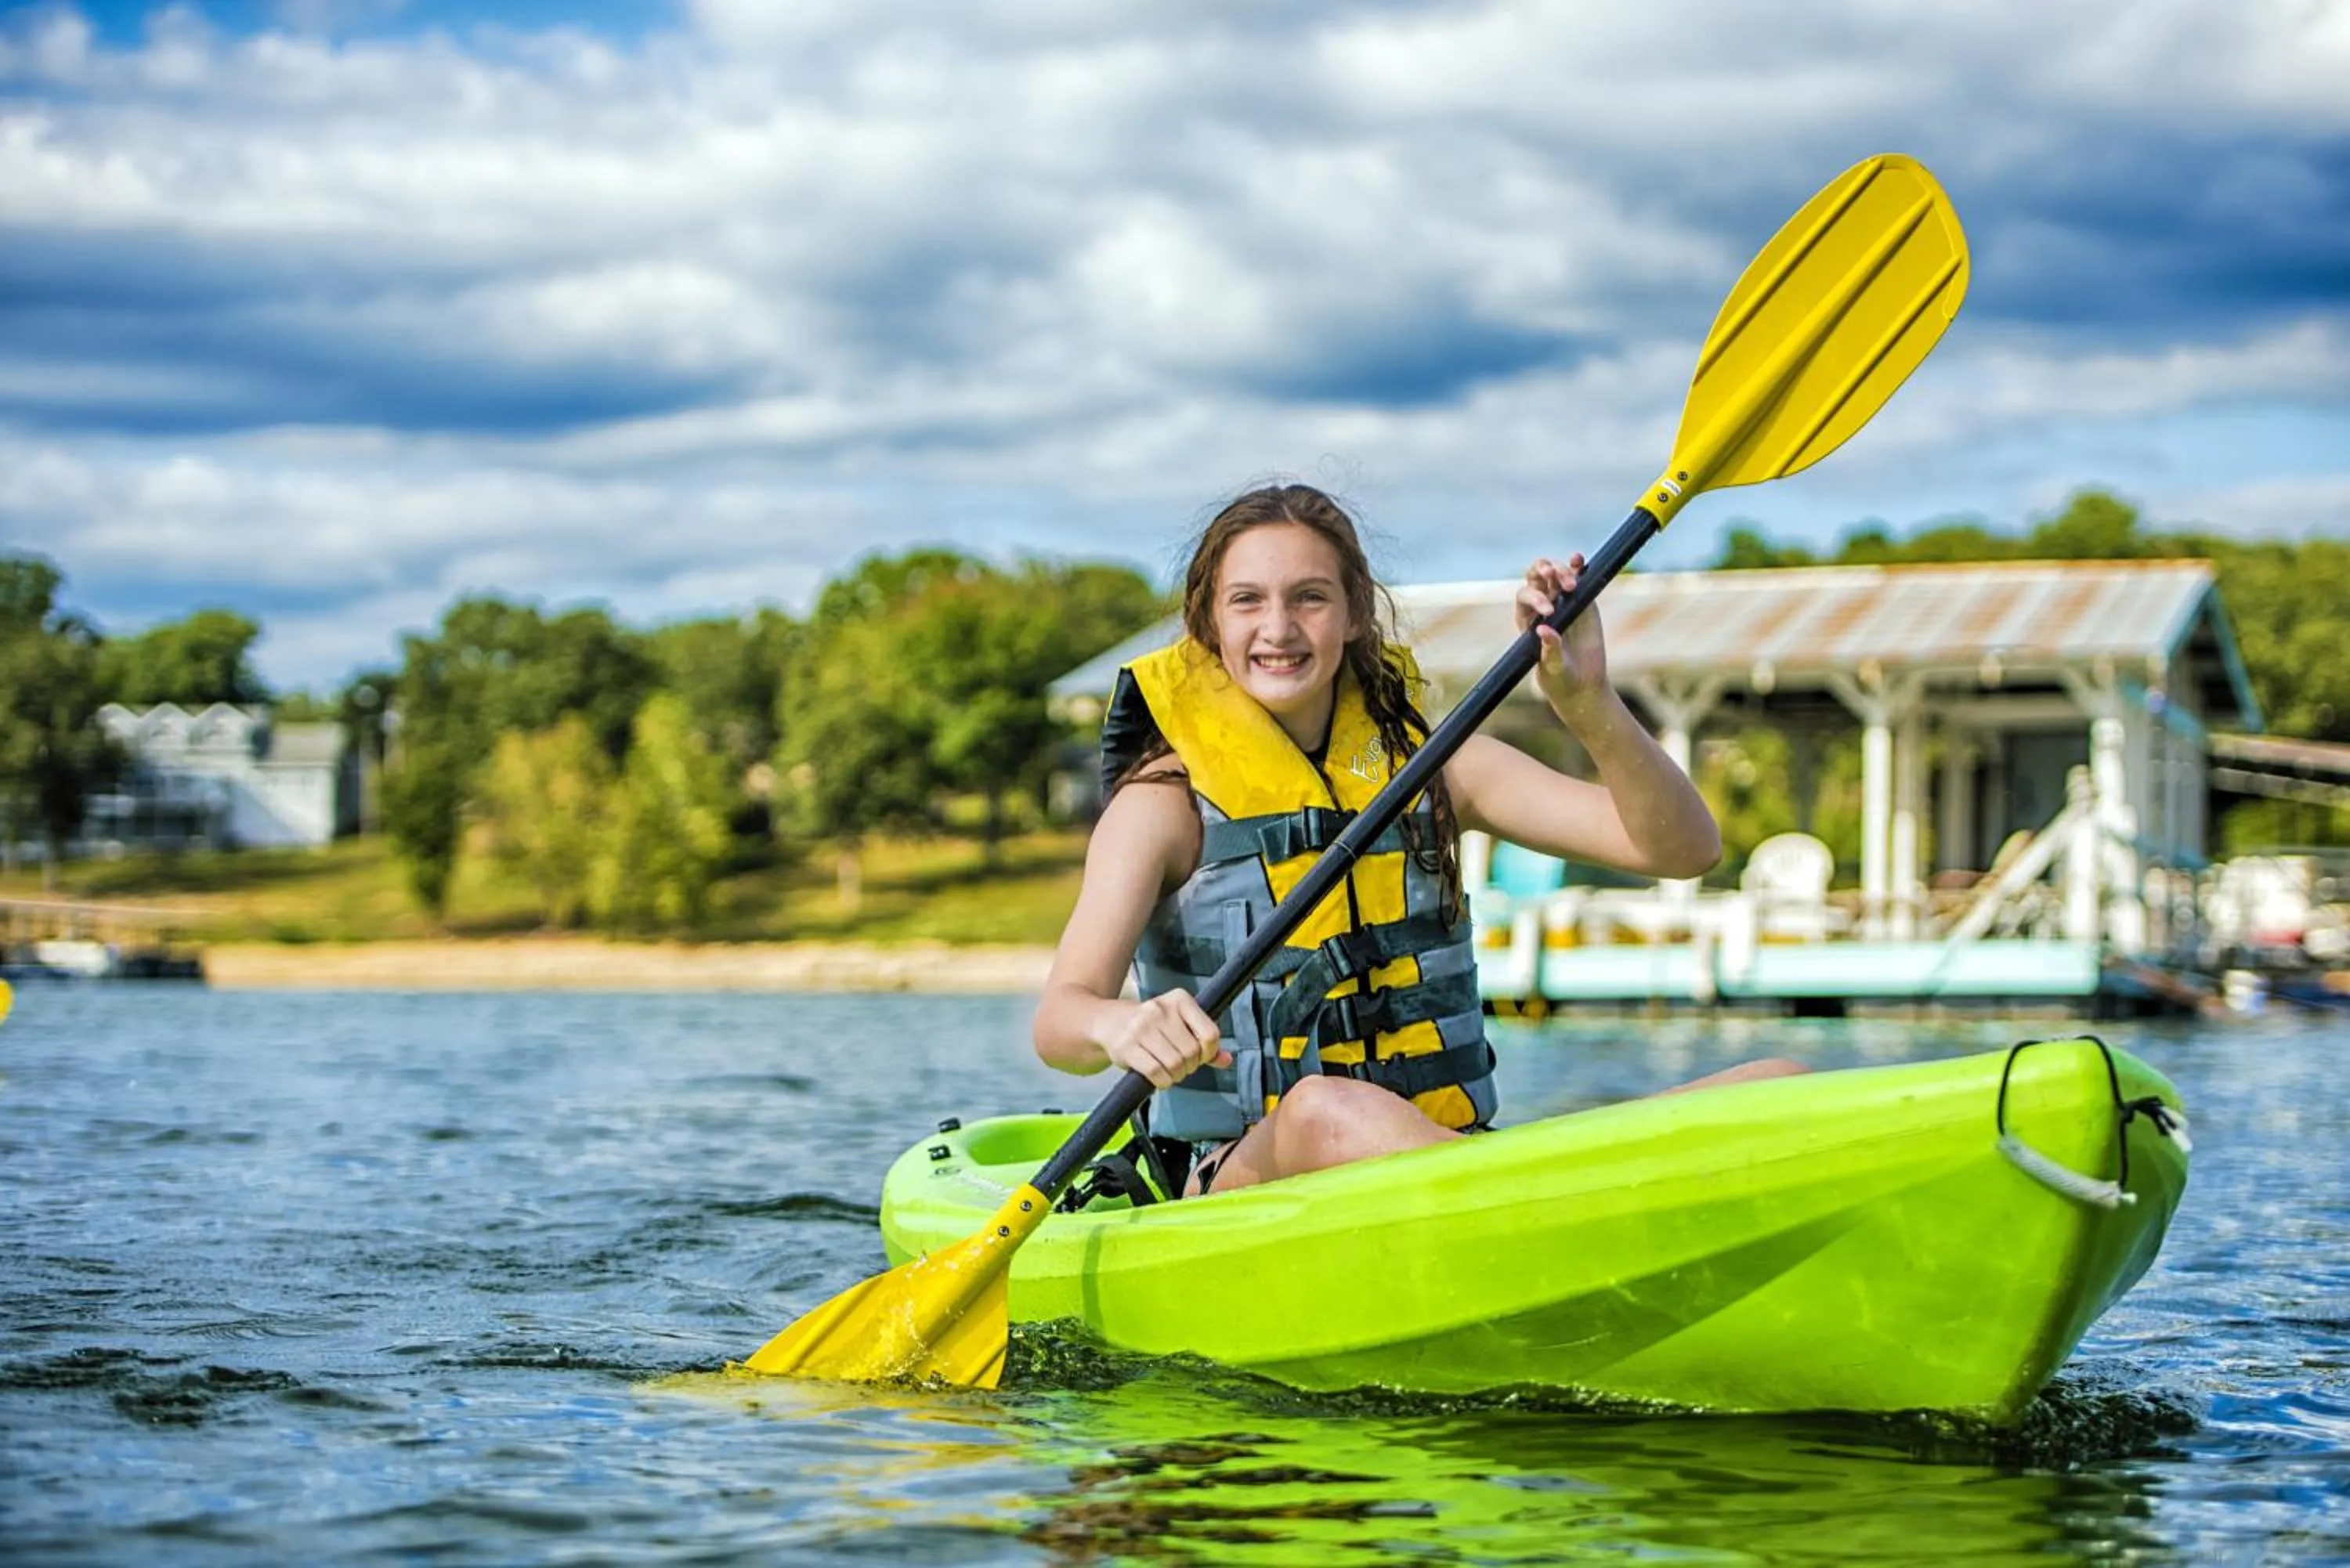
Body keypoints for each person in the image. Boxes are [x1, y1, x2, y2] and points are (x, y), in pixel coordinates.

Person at [1032, 483, 1801, 1199]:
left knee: (1778, 1084)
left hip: (1447, 1161)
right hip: (1243, 1178)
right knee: (1324, 1111)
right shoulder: (1162, 807)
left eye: (1310, 597)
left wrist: (1589, 700)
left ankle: (1509, 1198)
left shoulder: (1439, 771)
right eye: (1247, 601)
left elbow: (1683, 850)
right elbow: (1060, 1022)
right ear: (1209, 625)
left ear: (1357, 612)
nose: (1279, 628)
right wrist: (1118, 1024)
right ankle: (1534, 1199)